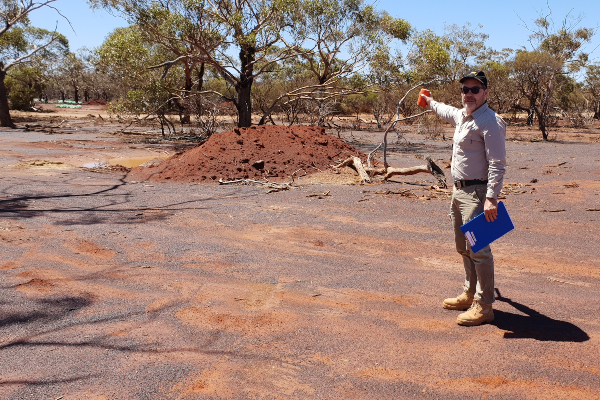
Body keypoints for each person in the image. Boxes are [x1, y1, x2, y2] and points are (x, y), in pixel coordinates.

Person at [420, 70, 506, 326]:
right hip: (459, 191)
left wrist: (491, 198)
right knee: (463, 246)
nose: (469, 94)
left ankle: (485, 306)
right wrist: (430, 101)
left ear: (486, 93)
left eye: (475, 89)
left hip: (478, 193)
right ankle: (470, 293)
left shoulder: (490, 122)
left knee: (479, 249)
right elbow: (445, 110)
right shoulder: (462, 116)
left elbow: (498, 163)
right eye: (465, 89)